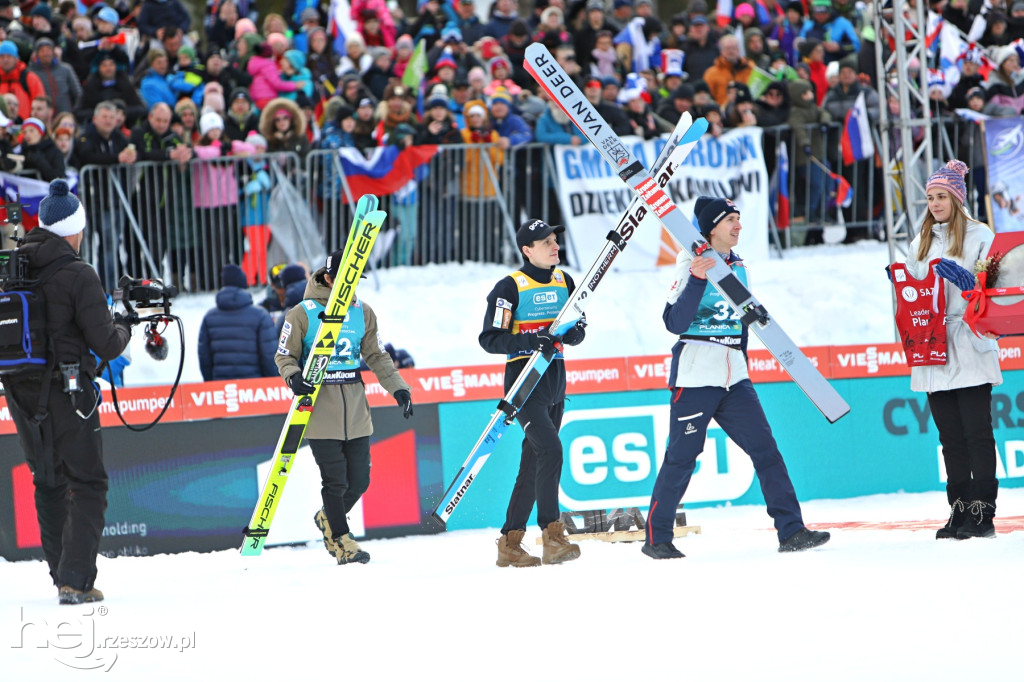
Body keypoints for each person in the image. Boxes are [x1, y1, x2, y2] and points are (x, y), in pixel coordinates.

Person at [642, 197, 831, 559]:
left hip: (734, 377)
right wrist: (697, 280)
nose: (739, 225)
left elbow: (741, 320)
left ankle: (791, 531)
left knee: (767, 451)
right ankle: (656, 538)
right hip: (697, 375)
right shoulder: (689, 261)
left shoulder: (739, 265)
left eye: (739, 219)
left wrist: (743, 360)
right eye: (731, 219)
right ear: (712, 228)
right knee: (682, 458)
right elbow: (674, 323)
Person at [0, 179, 133, 603]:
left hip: (20, 392)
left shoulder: (14, 266)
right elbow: (108, 344)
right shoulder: (78, 273)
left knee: (49, 483)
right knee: (89, 483)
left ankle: (62, 576)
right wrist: (125, 324)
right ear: (75, 228)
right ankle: (75, 581)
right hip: (68, 392)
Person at [275, 250, 414, 565]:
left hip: (355, 404)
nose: (352, 287)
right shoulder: (302, 313)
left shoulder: (362, 311)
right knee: (335, 480)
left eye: (356, 281)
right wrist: (293, 377)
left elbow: (376, 355)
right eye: (345, 280)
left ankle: (329, 519)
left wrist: (399, 388)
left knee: (360, 480)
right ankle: (343, 542)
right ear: (327, 278)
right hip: (319, 407)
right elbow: (284, 355)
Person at [896, 161, 1002, 539]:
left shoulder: (979, 234)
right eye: (930, 197)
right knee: (950, 437)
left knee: (976, 432)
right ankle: (958, 509)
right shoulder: (919, 241)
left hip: (968, 340)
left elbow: (996, 287)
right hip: (932, 346)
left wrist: (972, 283)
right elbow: (913, 291)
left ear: (957, 198)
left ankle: (982, 511)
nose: (935, 203)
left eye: (941, 196)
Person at [478, 219, 588, 568]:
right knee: (551, 450)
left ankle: (510, 542)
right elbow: (490, 339)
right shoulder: (509, 287)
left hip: (556, 380)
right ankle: (552, 536)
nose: (555, 246)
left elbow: (580, 323)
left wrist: (574, 335)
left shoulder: (565, 280)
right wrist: (530, 340)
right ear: (527, 250)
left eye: (555, 240)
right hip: (524, 383)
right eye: (546, 242)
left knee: (533, 462)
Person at [198, 264, 278, 381]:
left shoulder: (209, 318)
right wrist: (271, 383)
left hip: (221, 390)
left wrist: (211, 384)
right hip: (255, 390)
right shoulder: (260, 315)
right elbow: (269, 357)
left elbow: (205, 358)